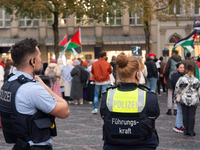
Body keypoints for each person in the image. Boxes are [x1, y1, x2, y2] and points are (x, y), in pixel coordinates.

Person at [0, 38, 70, 150]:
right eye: (39, 57)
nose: (41, 61)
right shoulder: (33, 89)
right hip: (35, 146)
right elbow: (65, 111)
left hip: (19, 145)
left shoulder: (8, 84)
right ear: (32, 61)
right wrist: (46, 87)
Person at [100, 53, 160, 150]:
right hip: (143, 144)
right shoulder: (149, 96)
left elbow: (103, 115)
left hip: (113, 145)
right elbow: (154, 115)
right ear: (137, 74)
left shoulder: (107, 95)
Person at [174, 65, 200, 136]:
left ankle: (186, 130)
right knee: (192, 115)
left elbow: (177, 89)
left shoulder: (181, 79)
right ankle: (191, 130)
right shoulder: (196, 80)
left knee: (185, 114)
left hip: (184, 99)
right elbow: (199, 91)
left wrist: (175, 98)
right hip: (193, 99)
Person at [164, 50, 181, 115]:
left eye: (172, 53)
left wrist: (167, 77)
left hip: (170, 79)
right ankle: (176, 109)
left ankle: (169, 109)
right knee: (177, 94)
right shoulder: (180, 59)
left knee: (170, 94)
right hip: (178, 78)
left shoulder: (170, 59)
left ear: (174, 53)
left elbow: (166, 69)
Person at [170, 63, 185, 133]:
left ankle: (178, 125)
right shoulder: (176, 76)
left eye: (183, 67)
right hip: (178, 96)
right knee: (180, 111)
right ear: (177, 68)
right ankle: (178, 126)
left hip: (181, 95)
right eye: (181, 67)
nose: (182, 68)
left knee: (180, 110)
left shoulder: (182, 75)